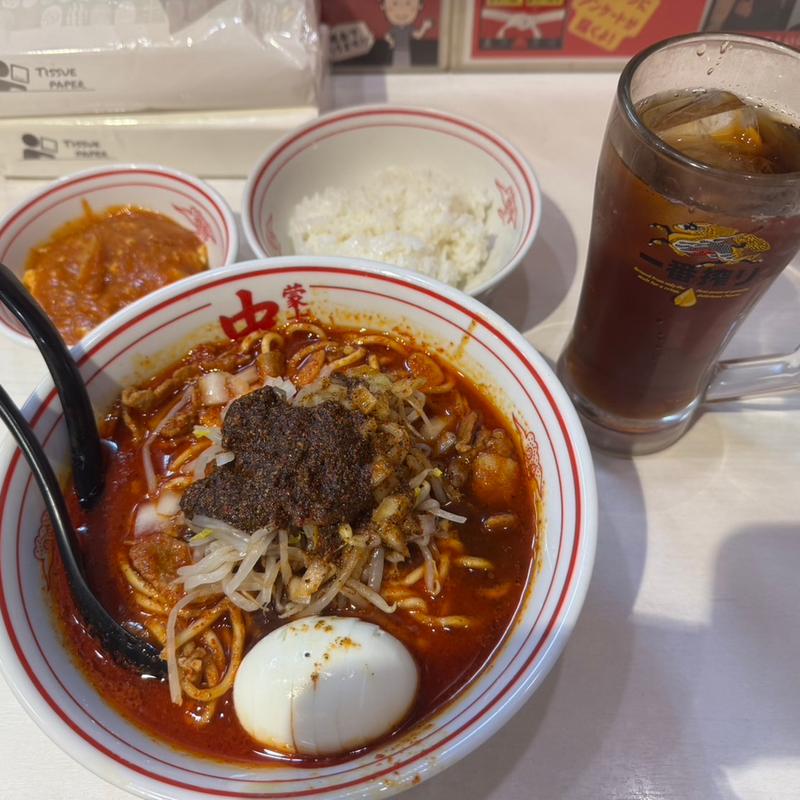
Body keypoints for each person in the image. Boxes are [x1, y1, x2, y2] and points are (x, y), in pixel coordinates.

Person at [380, 0, 433, 68]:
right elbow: (387, 36)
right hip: (397, 52)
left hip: (406, 52)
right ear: (383, 6)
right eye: (395, 3)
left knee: (405, 68)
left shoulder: (409, 28)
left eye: (408, 3)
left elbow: (418, 36)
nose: (402, 9)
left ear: (419, 6)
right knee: (396, 68)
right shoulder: (394, 28)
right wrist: (391, 42)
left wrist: (424, 27)